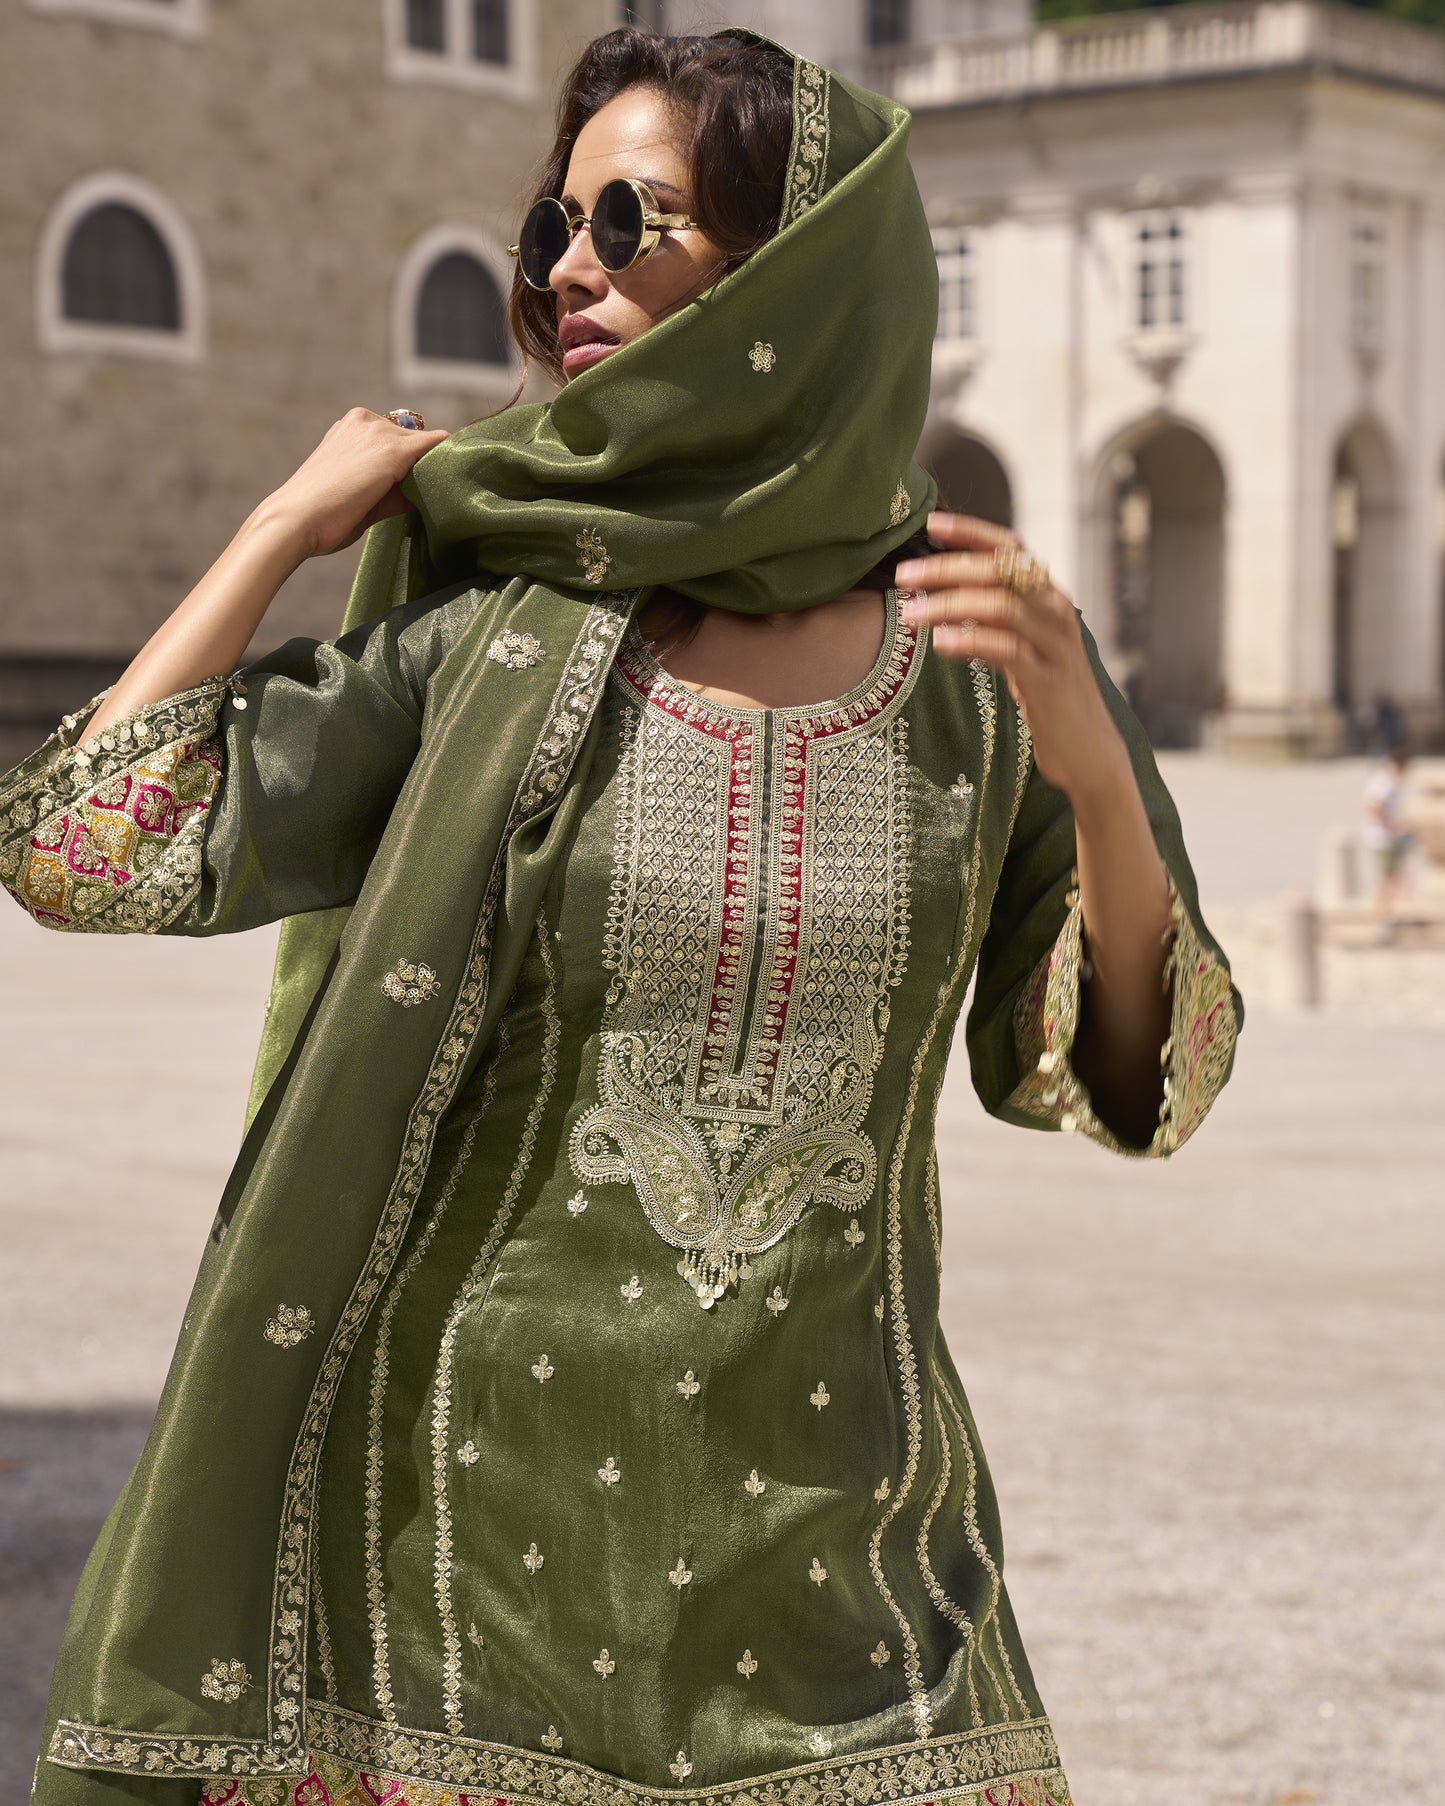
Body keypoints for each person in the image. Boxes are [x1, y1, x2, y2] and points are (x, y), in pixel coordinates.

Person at [2, 28, 1241, 1806]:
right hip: (452, 1564)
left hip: (854, 1556)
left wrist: (1101, 781)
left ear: (788, 269)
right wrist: (280, 526)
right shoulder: (497, 636)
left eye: (625, 221)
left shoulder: (985, 664)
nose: (567, 271)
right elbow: (79, 854)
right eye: (548, 233)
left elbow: (1143, 1081)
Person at [1363, 744, 1413, 914]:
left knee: (1392, 876)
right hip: (1383, 837)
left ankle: (1387, 909)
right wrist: (1392, 826)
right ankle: (1383, 911)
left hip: (1388, 836)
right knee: (1388, 877)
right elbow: (1374, 806)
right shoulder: (1385, 782)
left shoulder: (1387, 780)